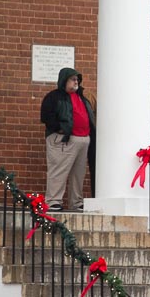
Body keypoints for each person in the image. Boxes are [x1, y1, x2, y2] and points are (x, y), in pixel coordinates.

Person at [40, 67, 95, 211]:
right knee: (58, 170)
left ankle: (76, 202)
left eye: (77, 79)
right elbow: (46, 116)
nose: (76, 82)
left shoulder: (82, 97)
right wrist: (60, 129)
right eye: (73, 79)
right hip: (64, 139)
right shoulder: (54, 96)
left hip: (83, 140)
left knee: (79, 174)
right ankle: (53, 201)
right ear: (64, 80)